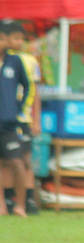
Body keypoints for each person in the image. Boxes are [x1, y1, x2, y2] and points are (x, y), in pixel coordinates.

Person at [6, 25, 42, 214]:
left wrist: (37, 120)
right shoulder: (6, 60)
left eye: (22, 38)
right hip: (7, 117)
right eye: (15, 38)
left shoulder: (29, 60)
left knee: (26, 160)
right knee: (7, 161)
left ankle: (29, 198)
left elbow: (35, 92)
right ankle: (8, 197)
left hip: (24, 118)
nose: (19, 42)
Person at [0, 21, 30, 217]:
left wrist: (17, 107)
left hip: (9, 123)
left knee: (18, 163)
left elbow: (27, 86)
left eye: (2, 39)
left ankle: (21, 205)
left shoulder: (15, 62)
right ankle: (1, 206)